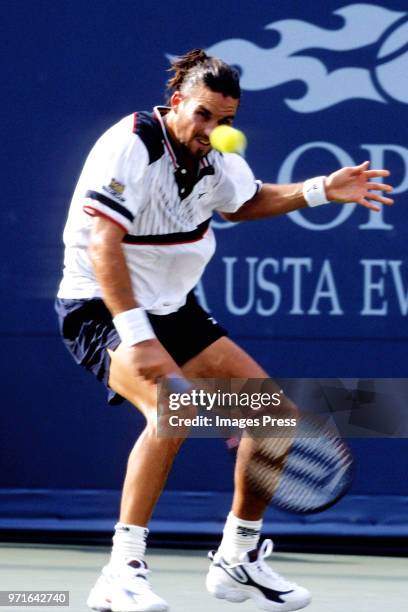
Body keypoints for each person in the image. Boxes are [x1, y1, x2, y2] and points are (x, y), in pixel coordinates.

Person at [55, 49, 393, 612]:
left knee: (276, 421)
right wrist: (135, 333)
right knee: (175, 409)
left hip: (174, 308)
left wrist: (321, 190)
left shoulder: (218, 156)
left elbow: (243, 202)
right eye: (204, 115)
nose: (212, 129)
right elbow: (102, 245)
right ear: (177, 102)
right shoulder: (129, 144)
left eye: (225, 120)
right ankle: (122, 570)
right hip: (100, 305)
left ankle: (237, 559)